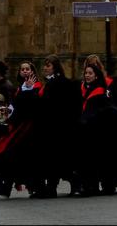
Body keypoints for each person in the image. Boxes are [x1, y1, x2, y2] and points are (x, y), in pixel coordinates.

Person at [75, 61, 117, 196]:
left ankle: (104, 185)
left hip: (100, 131)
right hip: (89, 130)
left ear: (96, 76)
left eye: (90, 73)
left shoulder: (101, 91)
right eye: (86, 73)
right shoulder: (85, 89)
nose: (87, 75)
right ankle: (90, 185)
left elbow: (107, 109)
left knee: (102, 159)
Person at [0, 60, 41, 197]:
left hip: (29, 127)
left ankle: (31, 186)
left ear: (32, 71)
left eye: (27, 69)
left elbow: (31, 104)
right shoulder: (20, 86)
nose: (25, 71)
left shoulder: (36, 86)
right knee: (10, 155)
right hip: (17, 124)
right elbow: (15, 104)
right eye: (22, 69)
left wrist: (29, 89)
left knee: (21, 157)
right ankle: (5, 185)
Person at [35, 54, 79, 198]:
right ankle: (54, 186)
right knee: (55, 158)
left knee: (57, 158)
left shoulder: (58, 83)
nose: (45, 68)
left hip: (58, 126)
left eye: (48, 66)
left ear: (55, 68)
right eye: (45, 65)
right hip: (54, 126)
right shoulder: (51, 82)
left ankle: (56, 187)